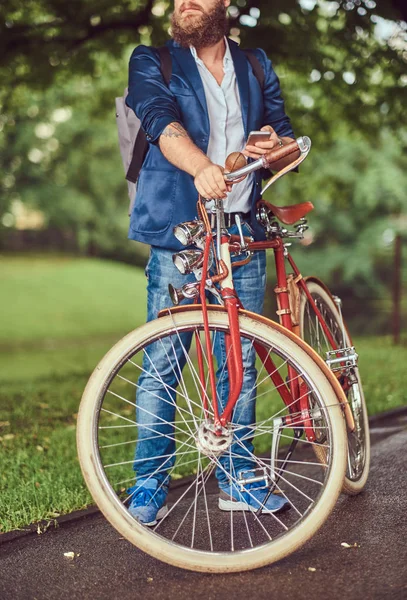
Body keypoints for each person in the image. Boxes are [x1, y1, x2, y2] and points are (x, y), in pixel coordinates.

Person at [125, 0, 298, 526]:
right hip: (183, 233)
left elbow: (286, 139)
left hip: (242, 231)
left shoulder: (255, 64)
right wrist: (202, 166)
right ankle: (148, 486)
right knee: (163, 364)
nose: (185, 2)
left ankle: (239, 480)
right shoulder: (153, 60)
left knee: (238, 363)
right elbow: (158, 119)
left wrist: (274, 147)